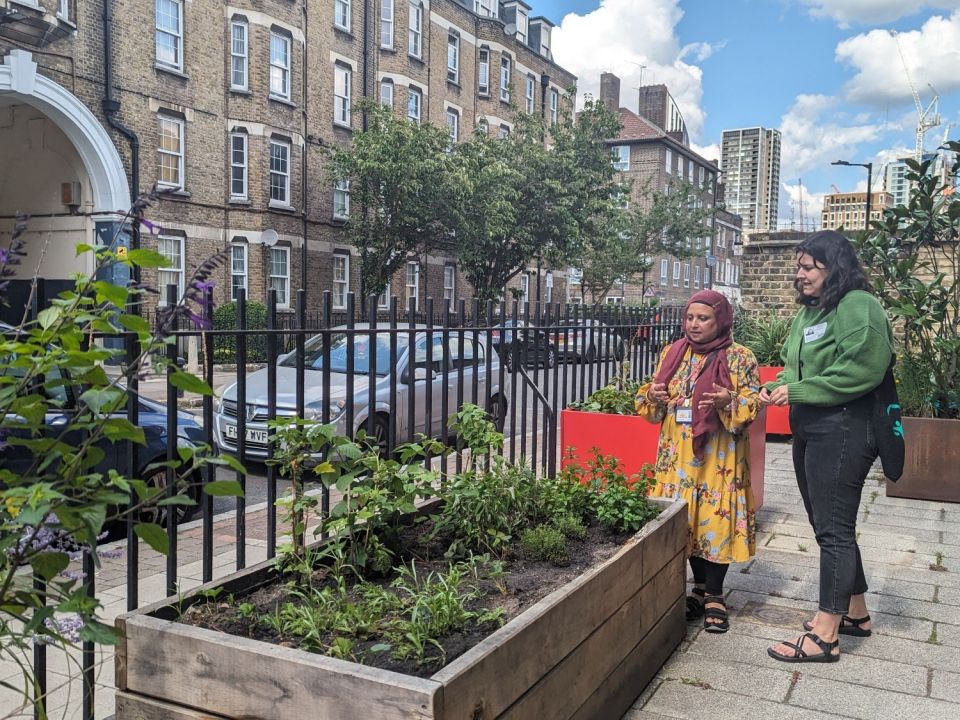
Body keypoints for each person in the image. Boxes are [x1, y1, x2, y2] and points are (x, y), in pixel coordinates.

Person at [762, 230, 892, 663]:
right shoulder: (813, 312)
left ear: (834, 266)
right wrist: (777, 386)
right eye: (798, 267)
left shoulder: (859, 306)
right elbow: (794, 366)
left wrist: (796, 391)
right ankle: (855, 613)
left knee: (833, 529)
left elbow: (862, 369)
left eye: (807, 267)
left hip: (845, 428)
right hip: (812, 427)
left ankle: (825, 634)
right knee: (827, 523)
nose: (799, 275)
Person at [636, 289, 761, 634]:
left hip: (719, 457)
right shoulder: (671, 353)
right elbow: (648, 402)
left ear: (720, 320)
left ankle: (716, 594)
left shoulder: (740, 357)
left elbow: (751, 404)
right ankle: (699, 588)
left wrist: (727, 399)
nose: (694, 324)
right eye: (690, 317)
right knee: (686, 521)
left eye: (703, 318)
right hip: (676, 456)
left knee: (715, 520)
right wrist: (653, 395)